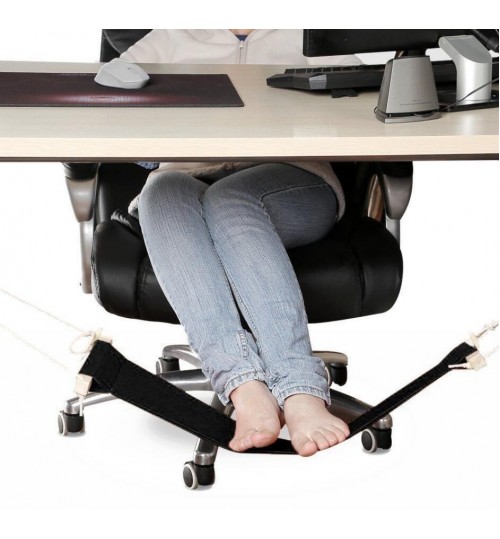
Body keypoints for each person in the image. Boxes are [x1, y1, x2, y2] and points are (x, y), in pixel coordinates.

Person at [123, 30, 359, 457]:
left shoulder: (309, 28)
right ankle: (245, 387)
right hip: (187, 171)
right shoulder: (173, 32)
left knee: (230, 200)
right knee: (160, 191)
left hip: (288, 174)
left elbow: (372, 95)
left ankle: (300, 388)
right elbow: (104, 97)